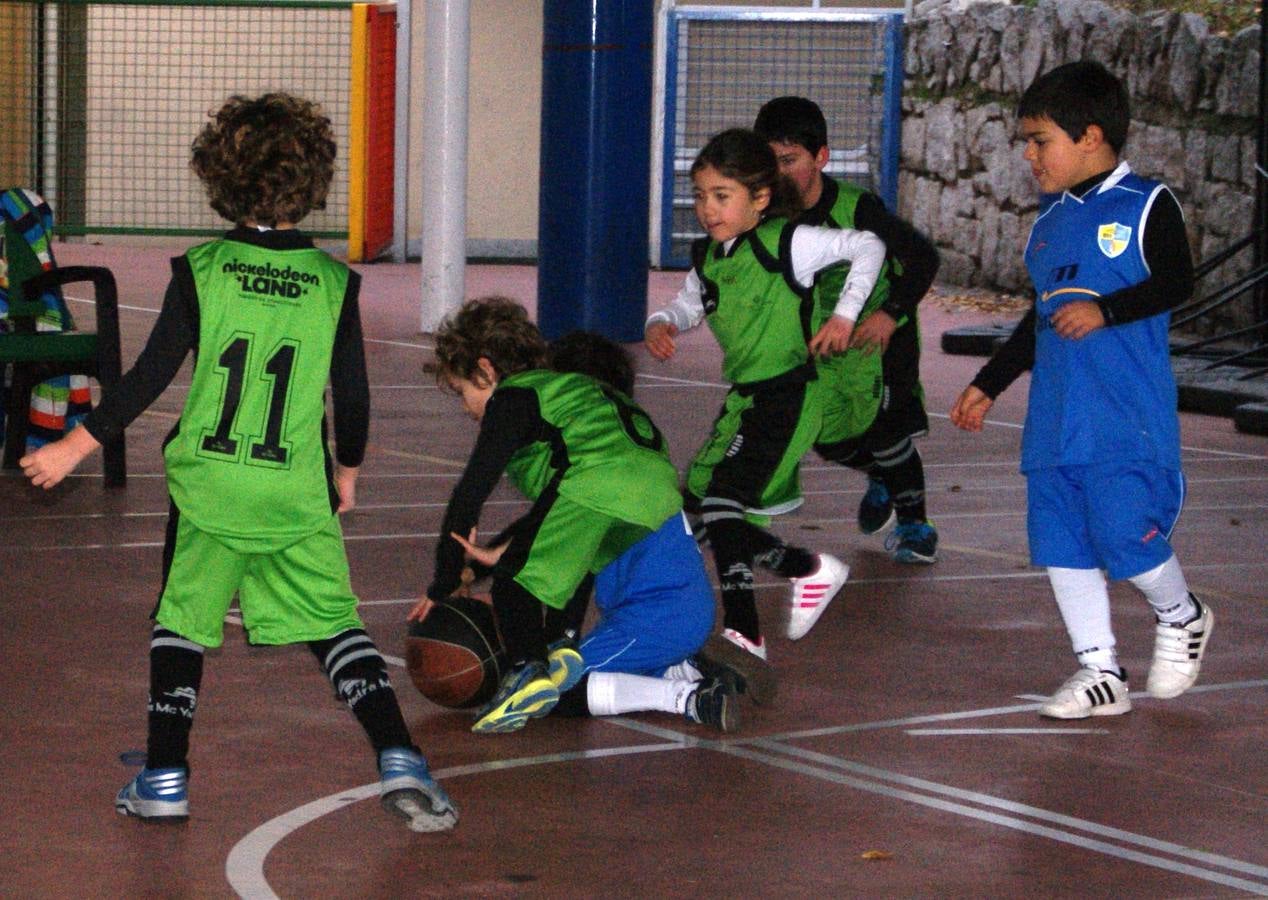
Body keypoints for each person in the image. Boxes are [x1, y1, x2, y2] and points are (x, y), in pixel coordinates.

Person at [20, 93, 457, 830]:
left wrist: (73, 443)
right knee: (335, 626)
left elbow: (147, 376)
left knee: (182, 622)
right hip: (292, 488)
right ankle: (399, 759)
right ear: (312, 183)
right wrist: (344, 473)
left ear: (219, 177)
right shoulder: (332, 284)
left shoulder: (202, 270)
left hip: (210, 488)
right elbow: (351, 398)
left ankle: (165, 777)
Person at [949, 61, 1213, 719]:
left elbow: (1178, 282)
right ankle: (1099, 670)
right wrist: (989, 383)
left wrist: (1108, 309)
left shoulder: (1146, 204)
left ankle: (1181, 615)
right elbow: (1039, 321)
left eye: (1040, 140)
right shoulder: (1047, 224)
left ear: (1091, 136)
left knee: (1124, 532)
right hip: (1055, 420)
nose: (1029, 155)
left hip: (1123, 418)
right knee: (1061, 543)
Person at [410, 299, 759, 734]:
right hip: (664, 553)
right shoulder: (614, 449)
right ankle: (673, 669)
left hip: (657, 618)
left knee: (555, 694)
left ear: (485, 371)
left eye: (464, 392)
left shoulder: (533, 410)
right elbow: (556, 542)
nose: (465, 407)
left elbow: (471, 495)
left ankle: (686, 697)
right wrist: (485, 570)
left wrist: (447, 579)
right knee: (545, 604)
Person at [644, 128, 886, 660]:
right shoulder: (708, 255)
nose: (708, 208)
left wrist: (845, 315)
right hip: (745, 398)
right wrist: (664, 321)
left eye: (721, 196)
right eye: (701, 195)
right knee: (696, 513)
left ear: (760, 198)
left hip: (788, 394)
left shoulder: (787, 242)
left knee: (725, 500)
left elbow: (867, 245)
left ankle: (745, 631)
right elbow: (691, 303)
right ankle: (807, 569)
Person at [754, 96, 941, 563]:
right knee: (825, 433)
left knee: (884, 429)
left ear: (821, 157)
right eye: (769, 162)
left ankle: (917, 526)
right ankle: (882, 475)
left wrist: (889, 313)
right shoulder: (767, 216)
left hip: (881, 334)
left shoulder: (859, 210)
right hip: (824, 340)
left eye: (789, 161)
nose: (779, 174)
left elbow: (923, 258)